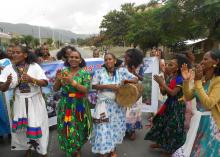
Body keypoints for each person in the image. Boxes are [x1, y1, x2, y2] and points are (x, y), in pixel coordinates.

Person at [0, 45, 49, 157]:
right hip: (19, 102)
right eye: (13, 52)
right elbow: (2, 88)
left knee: (39, 125)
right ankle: (28, 148)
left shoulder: (34, 66)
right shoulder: (9, 68)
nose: (14, 54)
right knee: (23, 128)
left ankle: (43, 151)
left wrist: (32, 79)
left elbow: (45, 82)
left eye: (18, 52)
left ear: (25, 55)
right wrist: (7, 82)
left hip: (35, 101)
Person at [173, 49, 220, 157]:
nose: (202, 62)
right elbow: (188, 96)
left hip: (210, 125)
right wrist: (186, 80)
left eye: (205, 59)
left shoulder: (218, 81)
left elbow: (209, 103)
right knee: (191, 151)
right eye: (202, 59)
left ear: (216, 62)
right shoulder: (203, 80)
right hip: (198, 122)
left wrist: (197, 81)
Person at [90, 53, 138, 157]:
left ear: (115, 60)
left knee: (114, 128)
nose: (108, 61)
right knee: (102, 127)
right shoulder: (99, 72)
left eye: (110, 59)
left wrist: (126, 80)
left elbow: (136, 79)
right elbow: (93, 85)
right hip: (103, 106)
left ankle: (112, 150)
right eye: (106, 60)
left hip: (117, 106)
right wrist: (108, 86)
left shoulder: (122, 71)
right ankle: (102, 151)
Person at [145, 54, 191, 155]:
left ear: (177, 68)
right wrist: (160, 84)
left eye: (171, 65)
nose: (167, 66)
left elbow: (173, 93)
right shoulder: (171, 76)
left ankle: (170, 151)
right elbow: (164, 93)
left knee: (172, 128)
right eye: (168, 64)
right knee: (163, 123)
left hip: (177, 107)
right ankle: (162, 143)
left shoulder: (180, 79)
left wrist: (162, 83)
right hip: (169, 104)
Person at [53, 47, 92, 157]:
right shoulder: (64, 72)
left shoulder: (85, 72)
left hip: (79, 105)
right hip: (65, 105)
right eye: (71, 57)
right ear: (67, 59)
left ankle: (77, 149)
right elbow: (55, 89)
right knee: (66, 127)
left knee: (79, 127)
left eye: (76, 57)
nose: (73, 59)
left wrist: (72, 82)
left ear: (80, 60)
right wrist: (57, 79)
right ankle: (71, 150)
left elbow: (86, 90)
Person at [123, 48, 144, 140]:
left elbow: (142, 79)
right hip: (124, 92)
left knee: (133, 112)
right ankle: (124, 129)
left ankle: (132, 130)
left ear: (133, 58)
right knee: (124, 112)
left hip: (135, 93)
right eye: (125, 56)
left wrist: (135, 72)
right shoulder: (122, 66)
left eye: (127, 56)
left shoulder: (140, 67)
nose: (125, 57)